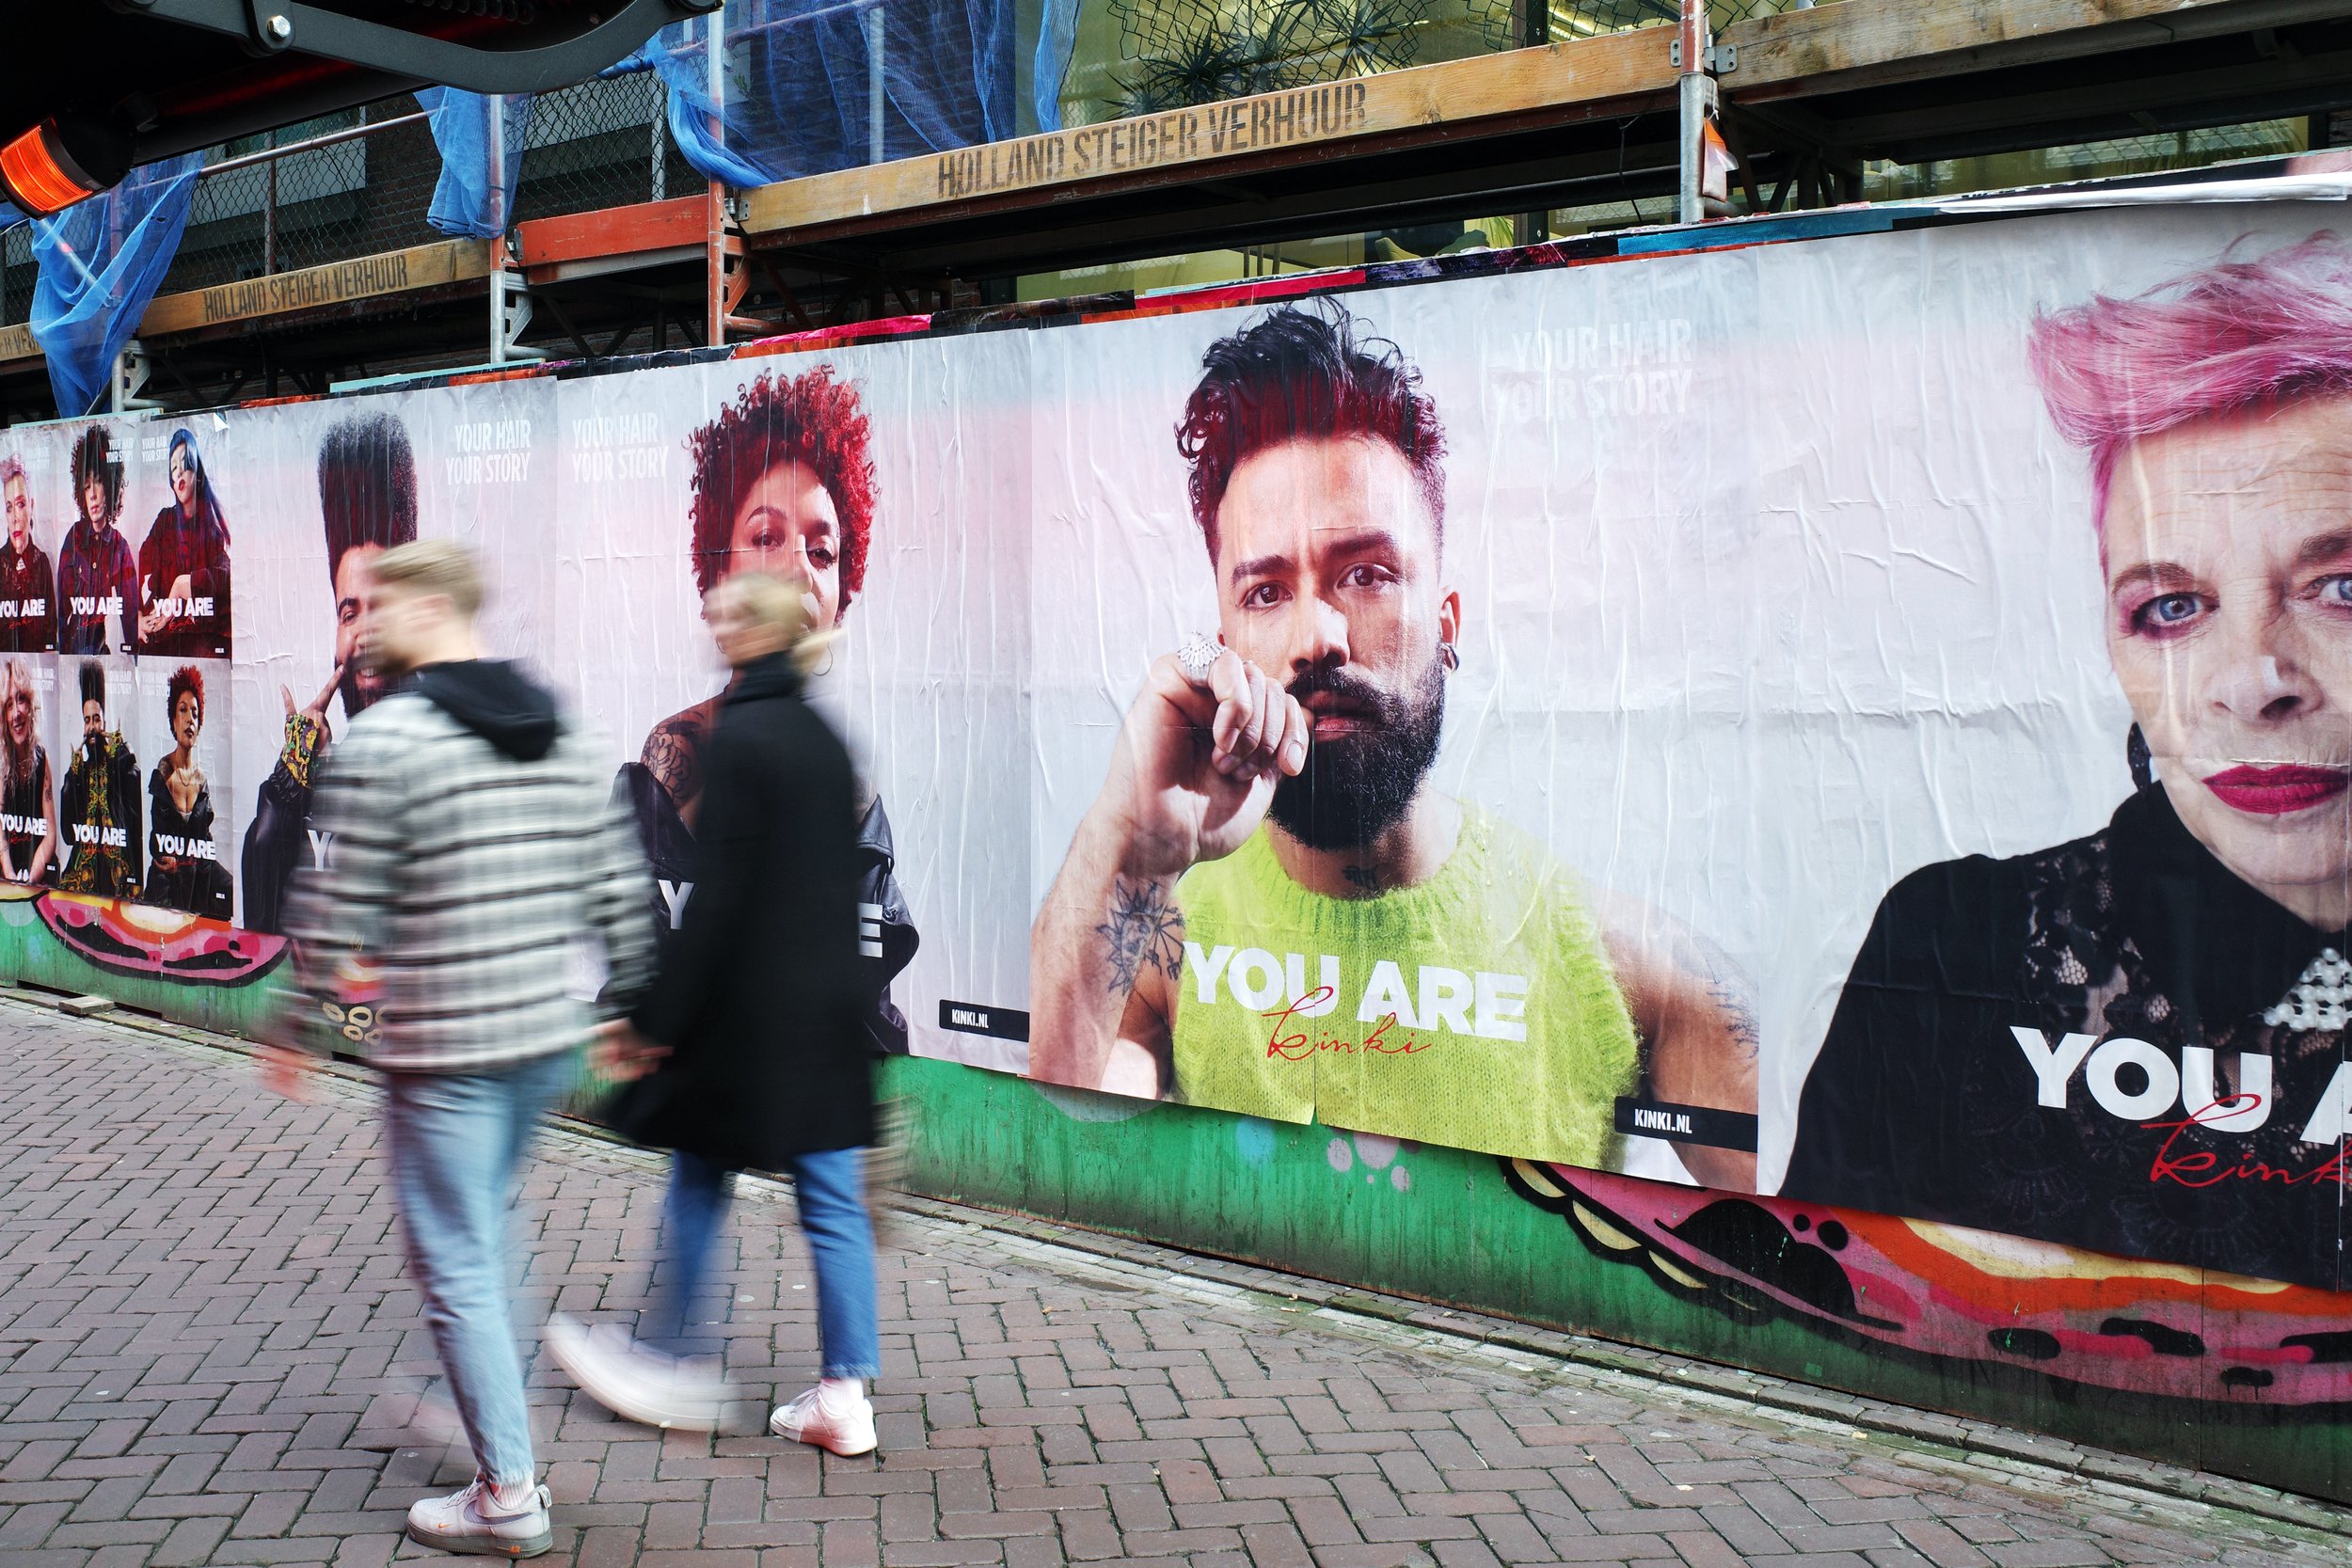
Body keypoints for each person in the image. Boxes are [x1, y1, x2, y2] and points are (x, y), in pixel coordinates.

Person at [1026, 300, 1760, 1190]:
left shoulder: (1631, 967)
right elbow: (1062, 1153)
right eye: (1265, 593)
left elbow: (1811, 1249)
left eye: (1367, 575)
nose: (1318, 637)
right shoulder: (1163, 946)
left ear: (1446, 623)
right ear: (1222, 641)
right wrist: (1126, 845)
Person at [1783, 234, 2352, 1292]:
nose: (2254, 682)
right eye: (2172, 606)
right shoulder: (1957, 944)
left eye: (2342, 587)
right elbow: (1827, 1299)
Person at [266, 540, 655, 1559]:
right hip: (537, 1042)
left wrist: (297, 1015)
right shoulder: (558, 721)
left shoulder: (393, 737)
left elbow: (337, 899)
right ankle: (473, 1404)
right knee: (485, 1226)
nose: (371, 621)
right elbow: (616, 873)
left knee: (456, 1256)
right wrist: (633, 999)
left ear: (435, 606)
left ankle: (507, 1490)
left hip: (443, 1045)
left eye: (388, 601)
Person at [553, 571, 882, 1456]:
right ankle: (845, 1393)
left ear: (755, 634)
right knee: (832, 1197)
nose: (715, 624)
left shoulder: (742, 738)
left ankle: (673, 1357)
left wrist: (654, 1016)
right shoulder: (825, 737)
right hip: (827, 1013)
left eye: (730, 616)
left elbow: (721, 898)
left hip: (750, 1016)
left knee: (699, 1174)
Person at [613, 369, 918, 1057]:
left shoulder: (847, 780)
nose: (798, 571)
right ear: (717, 573)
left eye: (821, 551)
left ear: (840, 596)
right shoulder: (678, 754)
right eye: (765, 537)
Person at [242, 411, 418, 934]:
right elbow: (262, 900)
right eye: (349, 612)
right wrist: (296, 770)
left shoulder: (438, 760)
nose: (366, 633)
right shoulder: (317, 774)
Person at [146, 665, 233, 919]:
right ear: (174, 721)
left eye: (195, 713)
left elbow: (204, 839)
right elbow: (157, 840)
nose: (189, 719)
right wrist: (166, 857)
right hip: (169, 875)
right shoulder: (163, 773)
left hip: (196, 869)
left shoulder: (201, 781)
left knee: (231, 890)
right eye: (183, 710)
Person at [136, 428, 232, 657]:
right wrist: (136, 618)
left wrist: (182, 585)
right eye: (173, 468)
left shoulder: (210, 529)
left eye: (185, 464)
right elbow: (132, 570)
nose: (179, 472)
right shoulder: (164, 521)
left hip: (198, 642)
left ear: (197, 474)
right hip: (161, 640)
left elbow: (227, 577)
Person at [56, 659, 139, 898]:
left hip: (118, 869)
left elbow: (134, 825)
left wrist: (121, 763)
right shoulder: (78, 770)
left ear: (105, 721)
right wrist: (73, 780)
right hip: (84, 871)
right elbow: (68, 835)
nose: (92, 727)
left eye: (96, 719)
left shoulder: (122, 760)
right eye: (87, 720)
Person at [57, 426, 137, 655]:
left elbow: (130, 617)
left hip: (101, 654)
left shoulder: (119, 547)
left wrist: (136, 666)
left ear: (110, 485)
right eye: (86, 486)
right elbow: (62, 615)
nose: (92, 494)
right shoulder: (73, 540)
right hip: (72, 655)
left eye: (98, 481)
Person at [0, 659, 56, 885]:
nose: (16, 713)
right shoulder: (1, 764)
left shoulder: (42, 759)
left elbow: (50, 832)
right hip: (7, 873)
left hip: (37, 873)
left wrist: (32, 876)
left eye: (21, 699)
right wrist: (12, 877)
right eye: (9, 705)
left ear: (30, 705)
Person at [0, 455, 56, 653]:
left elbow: (51, 635)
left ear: (31, 507)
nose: (15, 517)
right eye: (9, 508)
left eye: (20, 504)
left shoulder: (42, 563)